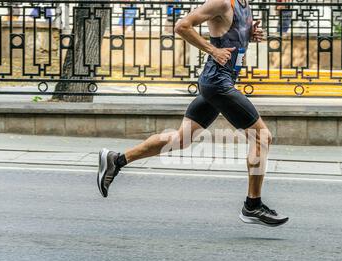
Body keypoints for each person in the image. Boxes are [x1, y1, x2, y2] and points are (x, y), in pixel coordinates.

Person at [97, 0, 289, 227]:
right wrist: (212, 50)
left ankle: (116, 160)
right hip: (218, 83)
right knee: (262, 137)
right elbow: (182, 26)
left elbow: (231, 34)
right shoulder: (221, 2)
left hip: (218, 82)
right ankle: (252, 205)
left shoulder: (243, 4)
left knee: (181, 139)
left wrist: (250, 34)